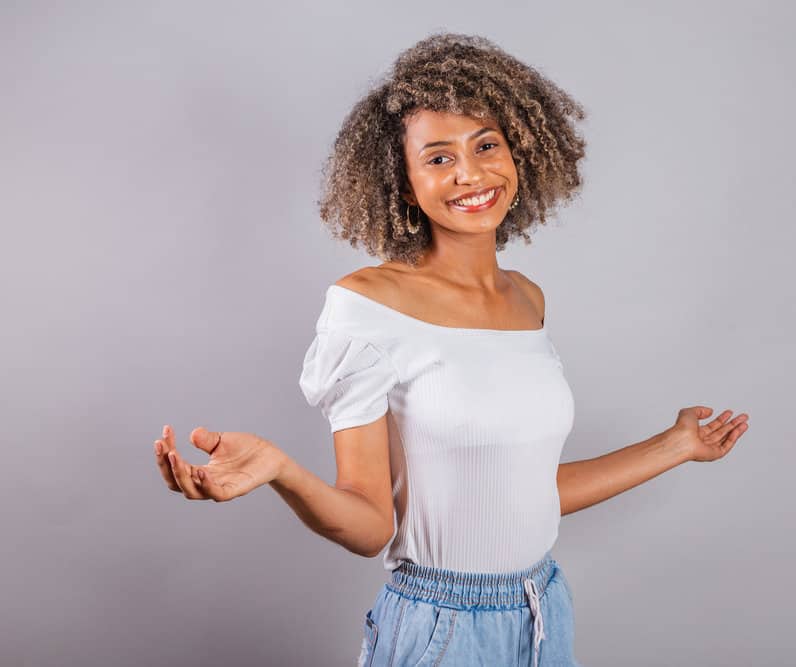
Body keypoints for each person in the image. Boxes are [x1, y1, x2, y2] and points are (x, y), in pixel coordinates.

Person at [152, 32, 750, 666]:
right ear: (405, 184)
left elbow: (524, 489)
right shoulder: (365, 307)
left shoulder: (528, 299)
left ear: (517, 153)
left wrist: (676, 445)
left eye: (486, 145)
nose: (471, 173)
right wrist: (282, 470)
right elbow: (370, 524)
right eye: (438, 158)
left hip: (543, 609)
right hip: (442, 627)